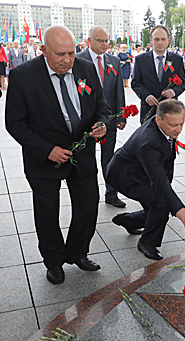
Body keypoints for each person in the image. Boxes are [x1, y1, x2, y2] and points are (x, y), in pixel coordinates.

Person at [5, 25, 110, 285]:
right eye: (60, 54)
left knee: (87, 206)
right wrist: (46, 149)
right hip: (44, 160)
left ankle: (77, 252)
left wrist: (102, 123)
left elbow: (101, 105)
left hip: (82, 155)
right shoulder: (23, 76)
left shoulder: (85, 68)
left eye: (71, 54)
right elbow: (15, 123)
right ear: (43, 50)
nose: (67, 61)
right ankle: (53, 261)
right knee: (47, 212)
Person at [106, 100, 185, 259]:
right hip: (125, 176)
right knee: (161, 203)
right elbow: (160, 182)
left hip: (140, 170)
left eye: (181, 124)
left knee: (157, 205)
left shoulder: (161, 126)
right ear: (159, 120)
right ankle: (147, 243)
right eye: (173, 125)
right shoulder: (149, 142)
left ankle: (130, 221)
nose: (178, 130)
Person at [76, 25, 127, 209]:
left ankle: (111, 192)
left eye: (107, 40)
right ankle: (86, 194)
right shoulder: (77, 60)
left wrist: (121, 116)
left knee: (109, 157)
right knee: (86, 157)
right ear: (89, 41)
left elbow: (118, 90)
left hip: (109, 119)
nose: (105, 44)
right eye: (101, 41)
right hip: (85, 121)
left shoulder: (113, 61)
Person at [132, 25, 185, 123]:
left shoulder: (177, 60)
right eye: (156, 39)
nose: (160, 42)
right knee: (148, 138)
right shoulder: (140, 60)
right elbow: (135, 83)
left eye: (163, 39)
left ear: (168, 40)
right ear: (151, 40)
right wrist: (146, 96)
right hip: (148, 110)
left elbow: (183, 82)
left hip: (170, 111)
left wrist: (174, 91)